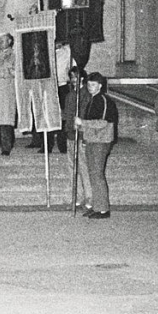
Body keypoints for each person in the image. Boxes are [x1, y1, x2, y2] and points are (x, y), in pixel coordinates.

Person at [76, 72, 118, 218]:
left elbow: (102, 123)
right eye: (88, 84)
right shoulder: (92, 100)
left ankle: (103, 209)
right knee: (93, 174)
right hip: (93, 140)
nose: (90, 87)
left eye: (93, 84)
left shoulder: (103, 100)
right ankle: (97, 206)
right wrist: (82, 129)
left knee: (97, 174)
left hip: (101, 141)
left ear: (100, 85)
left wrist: (83, 123)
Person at [63, 68, 92, 211]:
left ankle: (89, 197)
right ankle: (77, 196)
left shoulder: (86, 94)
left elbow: (85, 113)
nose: (74, 80)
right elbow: (67, 114)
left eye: (76, 77)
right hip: (71, 134)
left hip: (81, 135)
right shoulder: (70, 95)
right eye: (72, 77)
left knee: (84, 167)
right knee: (72, 168)